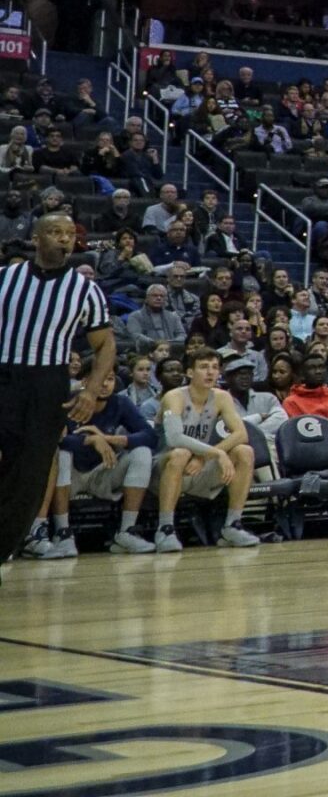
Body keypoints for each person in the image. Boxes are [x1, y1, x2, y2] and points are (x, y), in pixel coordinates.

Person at [0, 212, 116, 588]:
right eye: (55, 232)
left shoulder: (84, 290)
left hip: (48, 383)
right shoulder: (6, 278)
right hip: (3, 373)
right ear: (36, 238)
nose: (64, 239)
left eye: (69, 234)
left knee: (30, 475)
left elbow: (105, 346)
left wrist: (90, 388)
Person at [33, 362, 158, 558]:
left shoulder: (120, 403)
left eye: (109, 379)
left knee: (142, 452)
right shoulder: (67, 402)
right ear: (84, 381)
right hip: (70, 475)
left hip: (103, 472)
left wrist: (109, 439)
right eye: (100, 379)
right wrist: (90, 440)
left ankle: (126, 531)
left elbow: (151, 436)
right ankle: (62, 532)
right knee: (61, 455)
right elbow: (55, 441)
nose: (105, 384)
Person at [150, 352, 262, 552]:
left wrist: (204, 456)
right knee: (180, 453)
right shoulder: (174, 397)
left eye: (214, 367)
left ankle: (232, 526)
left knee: (245, 451)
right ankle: (165, 529)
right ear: (190, 372)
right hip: (162, 468)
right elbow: (174, 439)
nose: (210, 372)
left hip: (197, 467)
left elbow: (241, 434)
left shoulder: (222, 396)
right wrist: (217, 453)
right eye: (204, 367)